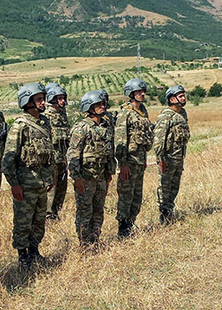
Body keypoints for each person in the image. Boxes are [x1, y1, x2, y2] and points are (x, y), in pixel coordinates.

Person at [2, 83, 56, 268]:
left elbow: (50, 152)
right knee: (23, 221)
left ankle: (34, 250)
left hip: (41, 181)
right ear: (27, 102)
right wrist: (14, 184)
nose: (43, 103)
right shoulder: (20, 126)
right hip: (25, 184)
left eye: (43, 98)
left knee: (39, 220)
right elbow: (8, 159)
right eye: (39, 99)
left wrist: (52, 175)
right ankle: (22, 255)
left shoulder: (45, 123)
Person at [68, 90, 116, 246]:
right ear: (89, 107)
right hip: (86, 177)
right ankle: (84, 243)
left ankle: (95, 240)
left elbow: (110, 150)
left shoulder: (106, 125)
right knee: (84, 212)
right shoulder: (81, 128)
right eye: (98, 104)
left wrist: (109, 171)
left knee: (98, 210)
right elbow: (73, 155)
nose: (103, 106)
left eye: (103, 104)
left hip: (101, 176)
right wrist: (77, 178)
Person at [115, 78, 153, 237]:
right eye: (138, 92)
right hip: (129, 163)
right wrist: (122, 163)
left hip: (140, 161)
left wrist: (144, 160)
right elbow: (120, 140)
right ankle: (123, 229)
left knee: (137, 197)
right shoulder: (125, 113)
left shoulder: (142, 111)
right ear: (131, 94)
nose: (142, 94)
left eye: (143, 91)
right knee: (126, 196)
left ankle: (130, 225)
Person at [152, 85, 190, 224]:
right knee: (164, 188)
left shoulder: (183, 114)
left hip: (179, 158)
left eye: (183, 95)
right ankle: (164, 215)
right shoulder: (165, 116)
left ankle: (170, 212)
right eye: (180, 96)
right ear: (172, 99)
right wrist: (160, 159)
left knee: (174, 187)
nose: (183, 98)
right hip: (167, 159)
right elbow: (158, 140)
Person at [43, 82, 70, 221]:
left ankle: (55, 213)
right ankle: (48, 216)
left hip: (62, 159)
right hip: (51, 160)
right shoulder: (46, 116)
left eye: (63, 97)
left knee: (62, 188)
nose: (62, 101)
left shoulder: (62, 115)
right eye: (59, 98)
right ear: (51, 99)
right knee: (50, 190)